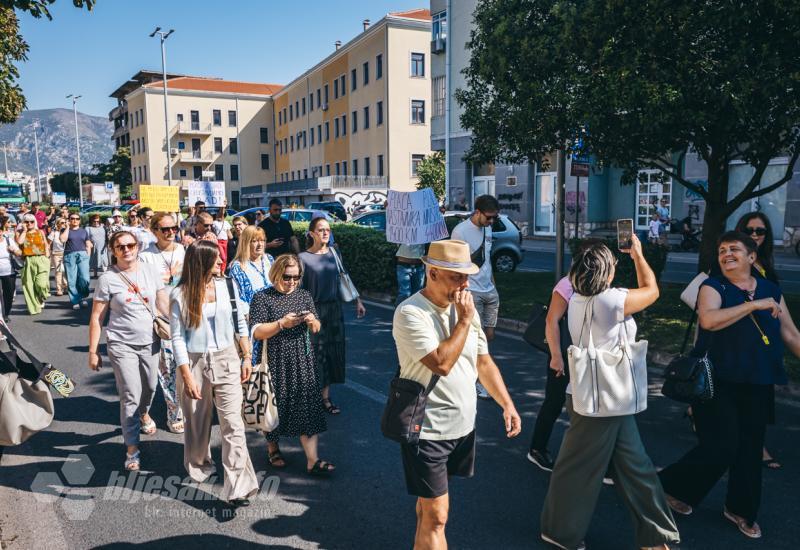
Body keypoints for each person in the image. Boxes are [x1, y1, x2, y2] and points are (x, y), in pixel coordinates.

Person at [659, 231, 800, 540]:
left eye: (734, 249)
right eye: (722, 250)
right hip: (716, 382)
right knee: (721, 446)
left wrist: (763, 302)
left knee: (750, 450)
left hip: (758, 381)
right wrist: (752, 306)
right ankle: (669, 487)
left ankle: (741, 509)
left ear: (752, 257)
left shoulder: (770, 289)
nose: (726, 254)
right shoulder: (713, 286)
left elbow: (790, 335)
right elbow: (709, 320)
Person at [540, 237, 679, 550]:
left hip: (591, 396)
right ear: (608, 272)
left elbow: (553, 320)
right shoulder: (613, 300)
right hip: (606, 398)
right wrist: (639, 255)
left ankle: (657, 537)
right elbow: (653, 290)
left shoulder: (576, 299)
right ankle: (560, 533)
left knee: (635, 465)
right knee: (578, 469)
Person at [392, 239, 522, 550]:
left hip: (462, 427)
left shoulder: (466, 308)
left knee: (428, 509)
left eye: (467, 276)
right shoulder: (411, 312)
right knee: (438, 516)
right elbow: (442, 363)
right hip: (427, 429)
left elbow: (483, 360)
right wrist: (464, 319)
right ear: (433, 273)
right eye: (457, 276)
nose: (465, 284)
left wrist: (507, 403)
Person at [170, 240, 258, 507]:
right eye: (216, 260)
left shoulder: (227, 286)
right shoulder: (180, 294)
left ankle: (238, 488)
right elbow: (177, 338)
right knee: (197, 422)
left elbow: (240, 322)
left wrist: (246, 357)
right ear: (202, 264)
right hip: (195, 363)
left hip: (227, 358)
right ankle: (199, 463)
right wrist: (186, 376)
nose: (222, 263)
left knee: (233, 424)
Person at [88, 231, 169, 471]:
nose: (126, 250)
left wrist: (176, 324)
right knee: (131, 394)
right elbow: (96, 316)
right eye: (120, 246)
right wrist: (93, 350)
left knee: (151, 387)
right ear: (113, 250)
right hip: (121, 343)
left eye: (131, 245)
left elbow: (162, 301)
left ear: (137, 247)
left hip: (150, 340)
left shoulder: (150, 270)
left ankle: (143, 413)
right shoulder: (107, 279)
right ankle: (132, 448)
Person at [249, 254, 333, 474]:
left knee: (307, 408)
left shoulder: (304, 295)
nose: (292, 282)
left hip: (302, 359)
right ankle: (273, 447)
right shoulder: (262, 297)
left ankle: (312, 460)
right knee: (275, 408)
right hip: (275, 360)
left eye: (296, 277)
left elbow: (316, 327)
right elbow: (256, 332)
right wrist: (281, 324)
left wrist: (312, 321)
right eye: (287, 277)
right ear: (276, 273)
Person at [300, 217, 365, 415]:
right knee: (313, 355)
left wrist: (358, 301)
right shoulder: (302, 258)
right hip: (313, 311)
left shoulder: (334, 253)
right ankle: (309, 397)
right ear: (311, 233)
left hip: (334, 311)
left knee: (331, 354)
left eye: (327, 229)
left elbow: (344, 276)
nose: (325, 233)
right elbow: (299, 289)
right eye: (320, 230)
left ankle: (326, 398)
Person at [733, 212, 780, 469]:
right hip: (739, 342)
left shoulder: (766, 266)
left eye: (759, 231)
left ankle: (755, 445)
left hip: (762, 344)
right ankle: (755, 448)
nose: (754, 236)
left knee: (759, 397)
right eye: (748, 230)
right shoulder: (733, 263)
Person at [140, 212, 186, 434]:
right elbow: (144, 290)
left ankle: (183, 406)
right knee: (166, 368)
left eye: (173, 228)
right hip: (159, 319)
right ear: (154, 231)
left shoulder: (182, 250)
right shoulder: (146, 256)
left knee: (184, 364)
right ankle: (174, 412)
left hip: (184, 315)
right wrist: (156, 316)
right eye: (165, 229)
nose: (170, 233)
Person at [450, 194, 500, 400]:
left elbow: (487, 259)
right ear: (477, 212)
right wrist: (460, 292)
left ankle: (474, 377)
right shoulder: (460, 231)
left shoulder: (487, 229)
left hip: (490, 291)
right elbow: (454, 265)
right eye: (488, 217)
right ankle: (475, 382)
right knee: (475, 339)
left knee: (489, 336)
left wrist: (494, 287)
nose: (491, 222)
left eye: (494, 218)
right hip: (472, 291)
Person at [229, 226, 274, 316]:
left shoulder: (269, 259)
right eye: (255, 241)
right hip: (254, 317)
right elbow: (238, 298)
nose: (260, 244)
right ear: (246, 243)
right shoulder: (238, 267)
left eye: (262, 240)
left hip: (274, 313)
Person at [16, 213, 50, 315]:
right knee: (29, 286)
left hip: (41, 259)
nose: (29, 223)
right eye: (26, 222)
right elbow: (20, 242)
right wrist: (25, 231)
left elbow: (46, 244)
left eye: (31, 221)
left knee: (41, 284)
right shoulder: (21, 233)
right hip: (28, 260)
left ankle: (41, 295)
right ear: (23, 223)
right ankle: (34, 308)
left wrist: (47, 256)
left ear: (34, 222)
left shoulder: (40, 232)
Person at [61, 211, 93, 310]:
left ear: (79, 221)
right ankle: (75, 300)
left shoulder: (84, 231)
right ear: (69, 220)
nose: (75, 220)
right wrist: (67, 227)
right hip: (69, 255)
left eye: (77, 219)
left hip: (83, 255)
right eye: (72, 219)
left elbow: (88, 244)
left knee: (84, 278)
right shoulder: (64, 230)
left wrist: (88, 257)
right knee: (72, 279)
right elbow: (62, 240)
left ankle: (83, 297)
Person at [0, 216, 21, 321]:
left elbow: (19, 253)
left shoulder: (8, 240)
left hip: (9, 272)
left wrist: (13, 250)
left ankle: (6, 314)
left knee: (8, 295)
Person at [48, 218, 67, 296]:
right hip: (56, 254)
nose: (64, 224)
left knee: (65, 271)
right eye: (62, 223)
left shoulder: (68, 232)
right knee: (59, 271)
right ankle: (59, 289)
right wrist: (48, 254)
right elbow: (48, 243)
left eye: (65, 222)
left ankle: (66, 286)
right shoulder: (54, 233)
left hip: (66, 254)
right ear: (58, 224)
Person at [211, 203, 232, 271]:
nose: (219, 215)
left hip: (225, 242)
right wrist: (222, 206)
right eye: (218, 214)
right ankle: (219, 270)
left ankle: (222, 271)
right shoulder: (214, 223)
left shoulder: (226, 223)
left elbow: (230, 235)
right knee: (222, 257)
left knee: (225, 257)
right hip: (218, 241)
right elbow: (221, 212)